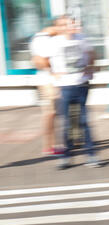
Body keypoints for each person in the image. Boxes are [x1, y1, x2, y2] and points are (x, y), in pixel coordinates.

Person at [50, 16, 101, 169]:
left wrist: (90, 67)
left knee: (83, 121)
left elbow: (92, 54)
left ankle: (91, 156)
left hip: (81, 85)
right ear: (61, 27)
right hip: (65, 87)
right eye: (67, 24)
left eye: (72, 23)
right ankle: (66, 157)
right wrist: (53, 73)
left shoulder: (81, 38)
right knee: (68, 123)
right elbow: (42, 60)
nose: (72, 26)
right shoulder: (55, 42)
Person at [30, 20, 64, 156]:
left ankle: (51, 146)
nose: (61, 31)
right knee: (50, 113)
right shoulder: (43, 39)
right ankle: (49, 147)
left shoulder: (38, 38)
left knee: (50, 113)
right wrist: (53, 72)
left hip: (45, 80)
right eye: (60, 27)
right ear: (53, 26)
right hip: (48, 81)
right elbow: (41, 60)